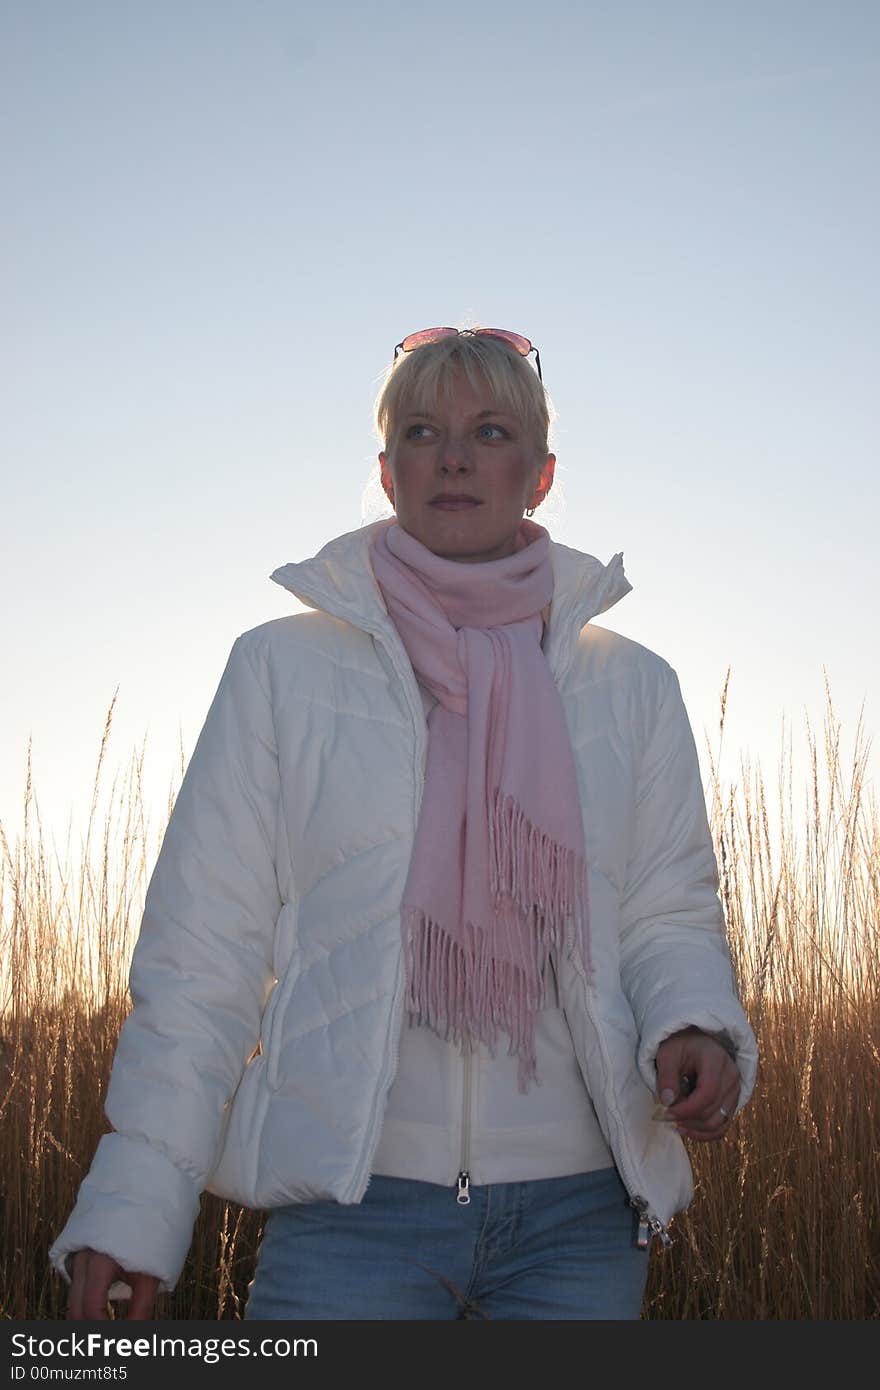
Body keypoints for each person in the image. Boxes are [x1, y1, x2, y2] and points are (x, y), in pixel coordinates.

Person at [52, 326, 757, 1321]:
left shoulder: (629, 685)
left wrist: (695, 1022)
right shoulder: (280, 671)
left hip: (579, 1218)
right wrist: (135, 1208)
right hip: (351, 1213)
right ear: (386, 473)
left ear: (540, 475)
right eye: (422, 430)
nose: (455, 455)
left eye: (489, 430)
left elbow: (665, 908)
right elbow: (202, 956)